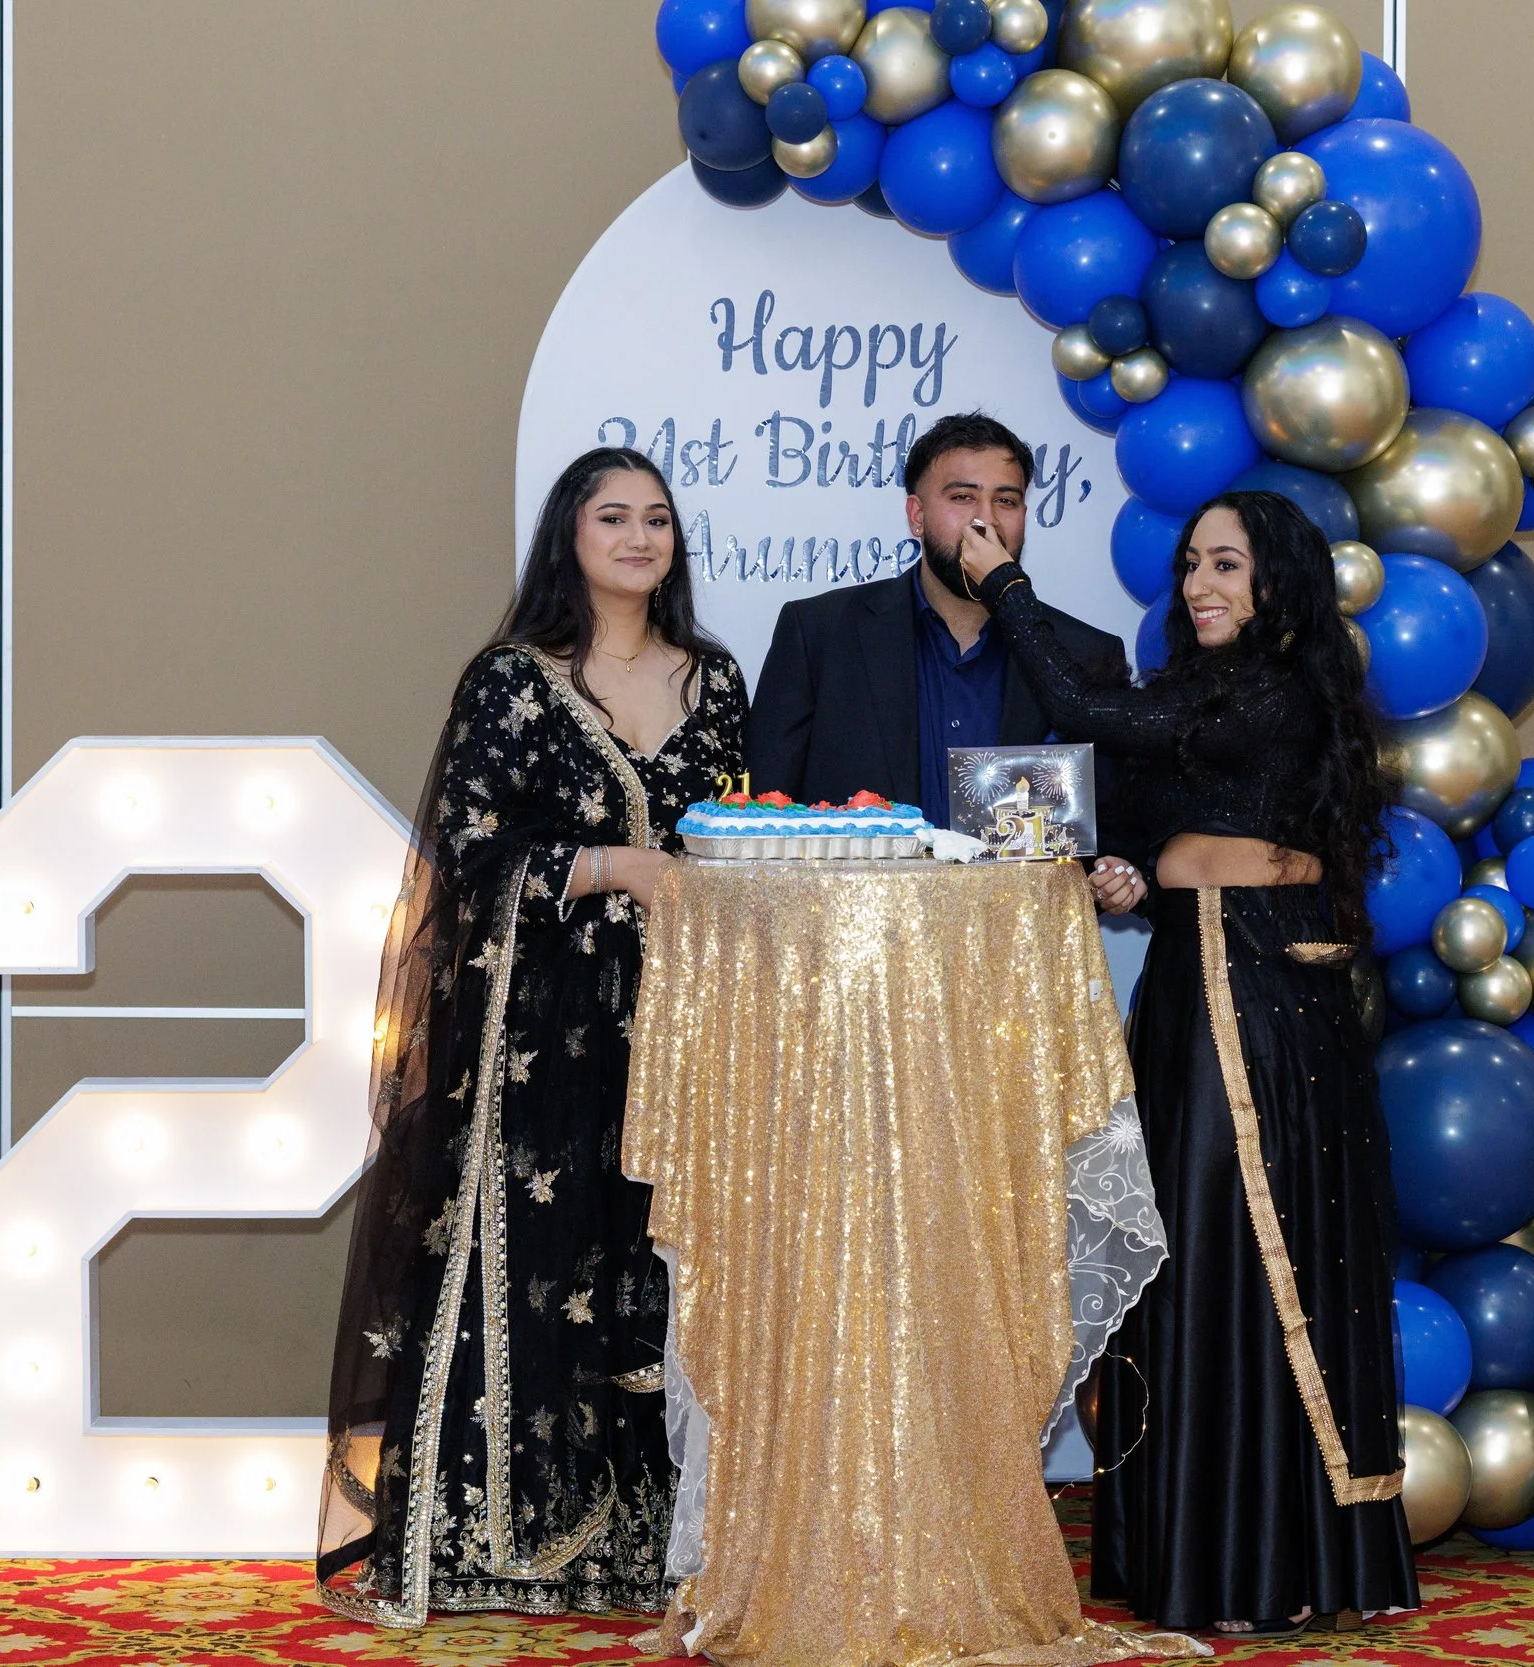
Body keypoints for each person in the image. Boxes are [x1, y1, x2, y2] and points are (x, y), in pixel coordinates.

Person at [958, 490, 1418, 1636]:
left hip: (1256, 1001)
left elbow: (1075, 703)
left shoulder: (1276, 688)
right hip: (1185, 995)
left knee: (1248, 1254)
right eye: (1191, 565)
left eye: (1228, 564)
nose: (1201, 584)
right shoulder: (1190, 695)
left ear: (1281, 583)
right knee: (1181, 1264)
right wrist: (1131, 871)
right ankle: (1191, 1552)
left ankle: (1271, 1556)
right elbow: (1162, 834)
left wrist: (1000, 579)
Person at [318, 447, 746, 1626]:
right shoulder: (512, 680)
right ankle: (506, 1543)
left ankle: (664, 1541)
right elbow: (465, 850)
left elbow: (735, 834)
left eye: (658, 518)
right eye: (614, 516)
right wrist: (605, 864)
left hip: (681, 1021)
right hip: (540, 1029)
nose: (640, 536)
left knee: (659, 1263)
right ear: (570, 534)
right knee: (540, 1259)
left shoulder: (714, 677)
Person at [746, 411, 1145, 915]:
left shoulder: (1085, 654)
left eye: (1007, 500)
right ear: (916, 515)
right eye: (962, 498)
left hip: (1017, 958)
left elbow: (1114, 831)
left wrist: (1114, 872)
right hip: (853, 951)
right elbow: (767, 815)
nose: (987, 520)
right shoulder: (820, 633)